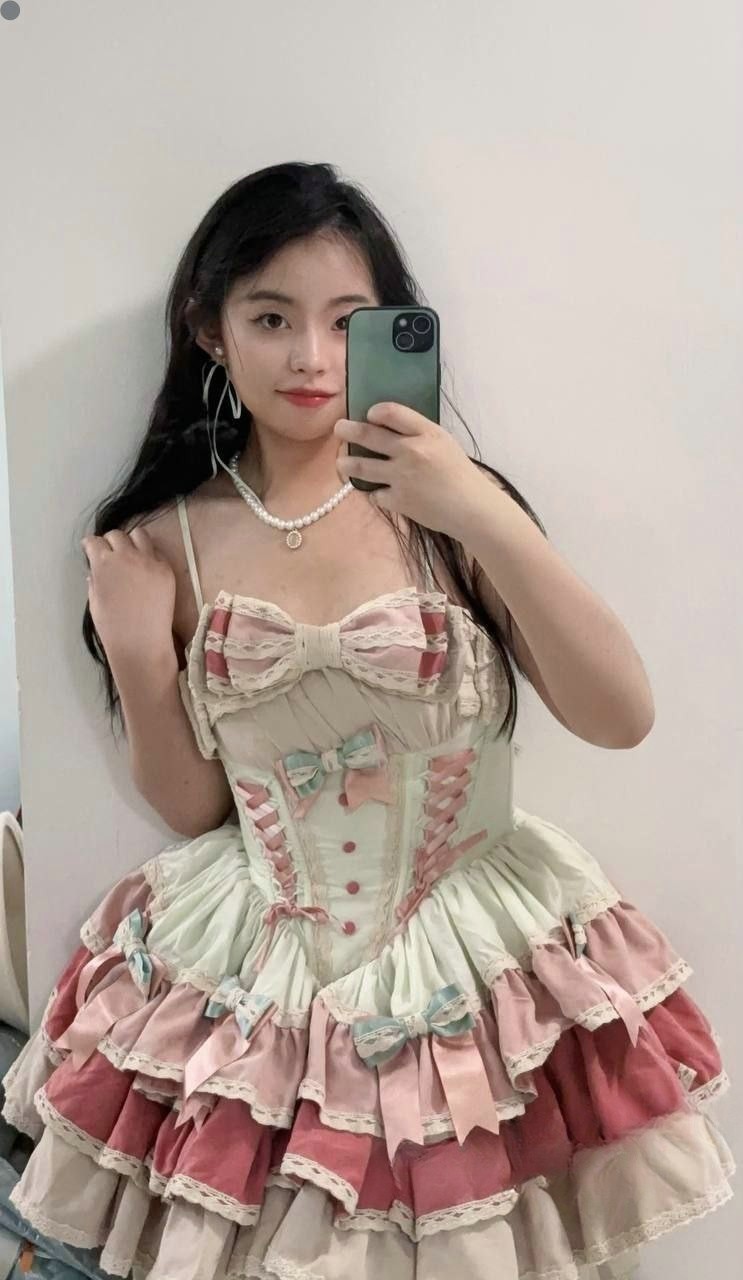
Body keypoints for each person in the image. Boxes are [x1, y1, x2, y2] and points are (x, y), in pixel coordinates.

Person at [1, 161, 733, 1280]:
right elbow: (195, 807)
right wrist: (141, 653)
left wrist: (478, 510)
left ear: (395, 326)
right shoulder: (166, 538)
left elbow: (619, 714)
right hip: (258, 967)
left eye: (348, 321)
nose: (310, 356)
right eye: (270, 318)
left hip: (474, 950)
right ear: (208, 329)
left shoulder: (447, 507)